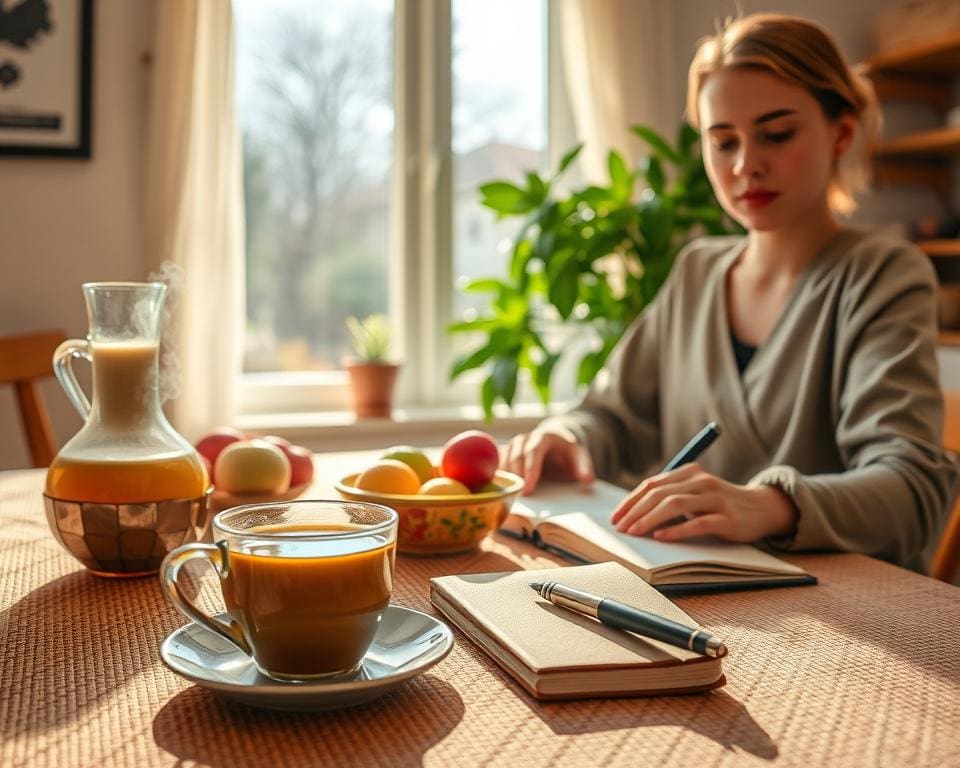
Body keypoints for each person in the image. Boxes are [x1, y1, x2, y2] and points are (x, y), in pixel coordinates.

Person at [500, 13, 958, 571]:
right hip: (690, 591)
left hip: (839, 604)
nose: (745, 165)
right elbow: (610, 416)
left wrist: (769, 505)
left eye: (777, 134)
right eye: (723, 142)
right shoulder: (696, 271)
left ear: (841, 132)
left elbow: (911, 492)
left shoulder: (884, 274)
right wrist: (565, 436)